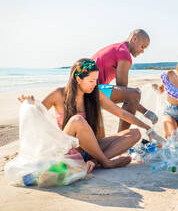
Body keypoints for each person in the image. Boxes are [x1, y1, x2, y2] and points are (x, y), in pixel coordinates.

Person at [18, 59, 163, 173]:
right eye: (91, 81)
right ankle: (106, 162)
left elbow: (121, 113)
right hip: (68, 149)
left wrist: (148, 128)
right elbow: (38, 114)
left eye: (96, 80)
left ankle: (94, 161)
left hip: (90, 149)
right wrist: (30, 102)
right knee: (77, 120)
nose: (95, 84)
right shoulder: (58, 94)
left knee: (135, 134)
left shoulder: (94, 94)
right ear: (78, 79)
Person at [92, 29, 158, 133]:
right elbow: (126, 93)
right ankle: (122, 136)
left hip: (89, 90)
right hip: (92, 91)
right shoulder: (124, 53)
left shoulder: (117, 47)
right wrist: (145, 111)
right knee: (134, 94)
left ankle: (120, 141)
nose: (143, 51)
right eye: (142, 47)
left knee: (101, 140)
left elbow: (122, 92)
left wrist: (144, 111)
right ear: (134, 39)